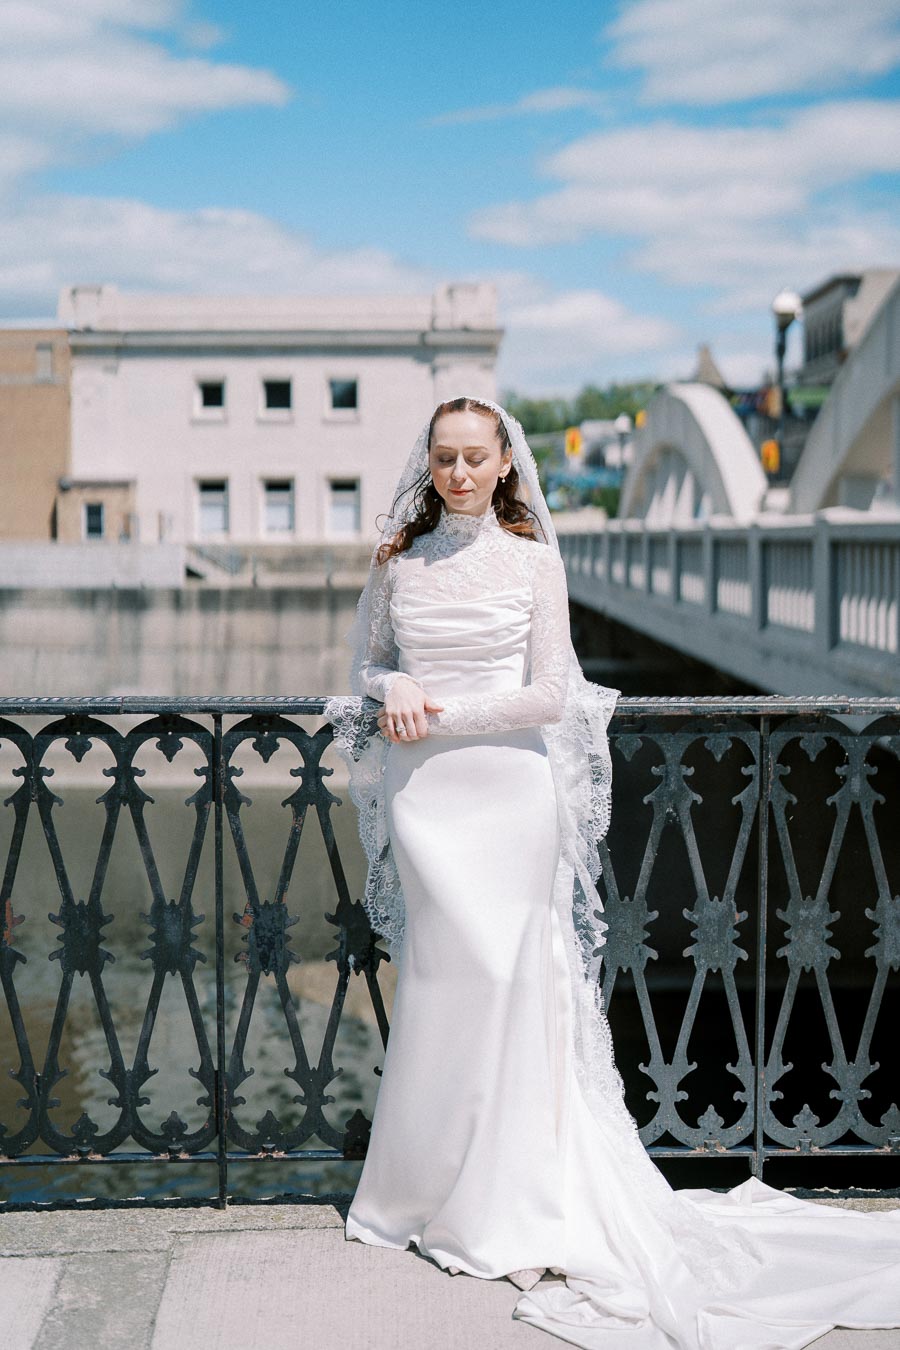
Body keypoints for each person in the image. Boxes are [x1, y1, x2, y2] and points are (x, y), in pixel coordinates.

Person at [325, 396, 900, 1350]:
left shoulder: (537, 561)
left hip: (507, 799)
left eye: (476, 458)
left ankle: (511, 1191)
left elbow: (553, 692)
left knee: (513, 980)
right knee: (442, 983)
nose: (460, 474)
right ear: (427, 463)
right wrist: (396, 690)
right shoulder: (396, 563)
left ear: (507, 463)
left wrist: (443, 717)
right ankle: (423, 1188)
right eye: (445, 459)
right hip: (427, 803)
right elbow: (371, 666)